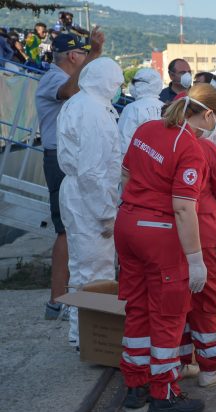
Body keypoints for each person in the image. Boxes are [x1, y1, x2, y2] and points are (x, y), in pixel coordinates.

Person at [117, 83, 216, 412]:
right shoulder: (190, 147)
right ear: (207, 114)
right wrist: (195, 260)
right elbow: (183, 207)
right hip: (160, 236)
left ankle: (135, 384)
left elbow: (125, 174)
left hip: (128, 225)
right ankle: (164, 392)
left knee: (137, 306)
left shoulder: (147, 129)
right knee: (168, 314)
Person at [36, 29, 104, 321]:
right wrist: (96, 56)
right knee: (65, 230)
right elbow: (69, 91)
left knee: (75, 227)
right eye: (83, 56)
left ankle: (67, 297)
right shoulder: (53, 77)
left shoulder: (63, 75)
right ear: (74, 56)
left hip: (69, 159)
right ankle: (56, 301)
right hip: (59, 161)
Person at [56, 57, 123, 347]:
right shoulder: (93, 111)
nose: (118, 88)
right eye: (117, 83)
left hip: (77, 193)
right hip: (89, 198)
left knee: (83, 267)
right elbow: (93, 171)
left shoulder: (79, 103)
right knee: (96, 271)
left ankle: (80, 335)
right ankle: (94, 341)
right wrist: (106, 212)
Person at [178, 111, 216, 388]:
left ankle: (183, 361)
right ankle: (211, 368)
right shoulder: (206, 148)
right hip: (204, 232)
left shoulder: (170, 142)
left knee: (180, 301)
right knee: (209, 299)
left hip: (176, 233)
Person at [118, 68, 165, 152]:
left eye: (134, 82)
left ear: (140, 85)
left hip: (136, 161)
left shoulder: (132, 108)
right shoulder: (166, 107)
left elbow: (123, 142)